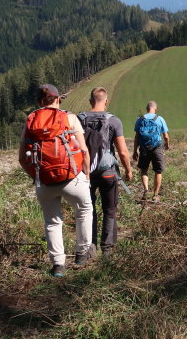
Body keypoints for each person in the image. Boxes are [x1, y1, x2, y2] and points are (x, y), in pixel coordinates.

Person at [18, 84, 93, 278]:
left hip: (44, 181)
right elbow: (84, 151)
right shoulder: (69, 118)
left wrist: (36, 177)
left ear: (39, 102)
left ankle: (58, 265)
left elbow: (21, 159)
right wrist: (86, 176)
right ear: (58, 99)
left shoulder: (30, 121)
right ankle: (82, 254)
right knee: (84, 210)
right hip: (72, 176)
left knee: (52, 221)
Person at [78, 87, 132, 257]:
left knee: (88, 209)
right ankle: (107, 249)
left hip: (85, 172)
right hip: (107, 171)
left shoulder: (80, 119)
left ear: (90, 101)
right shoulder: (113, 121)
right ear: (106, 101)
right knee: (109, 209)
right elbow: (122, 151)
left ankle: (90, 247)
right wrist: (128, 170)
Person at [133, 101, 170, 202]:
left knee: (144, 170)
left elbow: (136, 137)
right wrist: (167, 144)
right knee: (158, 171)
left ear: (146, 108)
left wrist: (135, 151)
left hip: (144, 148)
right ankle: (155, 195)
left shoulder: (140, 119)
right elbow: (165, 136)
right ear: (155, 109)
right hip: (156, 148)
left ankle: (145, 191)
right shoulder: (159, 119)